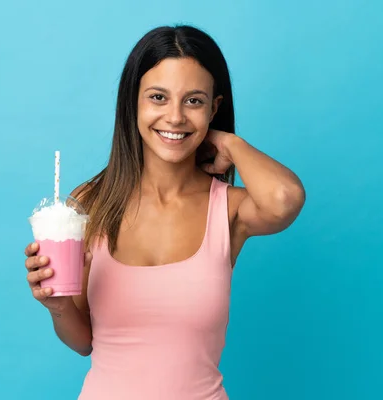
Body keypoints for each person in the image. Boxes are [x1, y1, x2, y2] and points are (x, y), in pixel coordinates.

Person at [24, 25, 305, 399]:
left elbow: (285, 197)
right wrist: (57, 305)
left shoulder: (228, 208)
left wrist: (228, 141)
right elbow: (83, 342)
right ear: (133, 103)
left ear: (213, 108)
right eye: (158, 97)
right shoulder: (91, 203)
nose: (175, 117)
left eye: (193, 101)